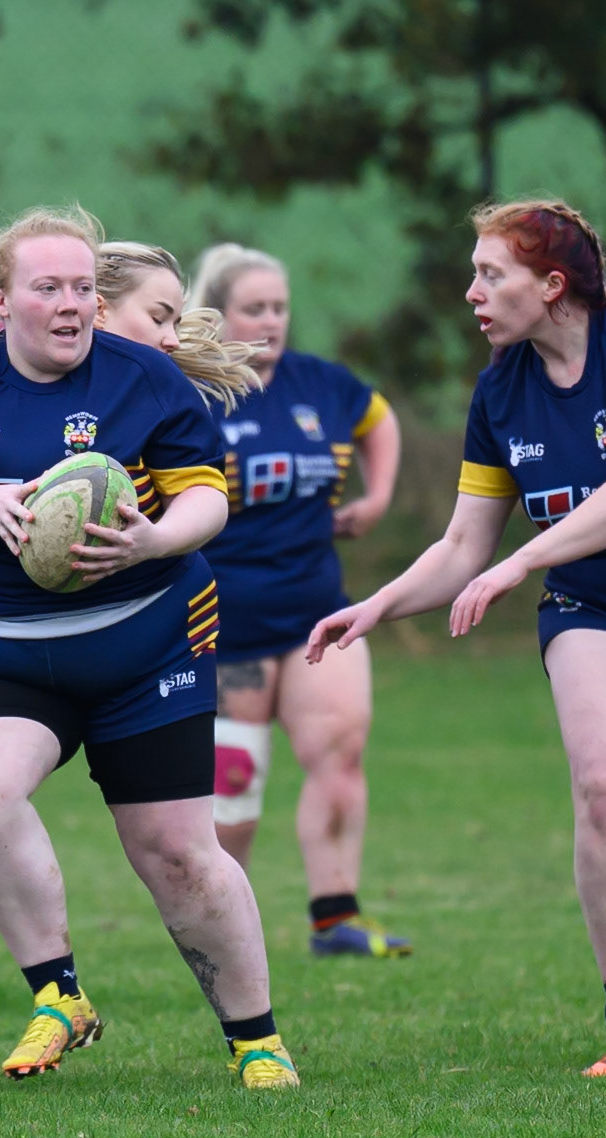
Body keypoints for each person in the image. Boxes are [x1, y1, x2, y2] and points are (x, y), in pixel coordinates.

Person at [307, 198, 606, 1075]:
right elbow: (462, 546)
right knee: (605, 786)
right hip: (595, 605)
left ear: (552, 285)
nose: (471, 291)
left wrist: (520, 565)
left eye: (491, 274)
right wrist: (374, 604)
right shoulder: (501, 391)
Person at [0, 207, 298, 1089]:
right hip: (2, 651)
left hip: (145, 651)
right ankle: (59, 994)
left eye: (84, 290)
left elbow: (208, 498)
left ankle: (255, 1039)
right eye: (48, 288)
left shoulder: (141, 375)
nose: (72, 305)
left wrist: (155, 540)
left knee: (176, 851)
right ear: (1, 302)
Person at [187, 243, 409, 958]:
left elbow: (379, 418)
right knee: (235, 785)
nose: (272, 321)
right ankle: (224, 922)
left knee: (340, 756)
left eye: (279, 307)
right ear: (217, 314)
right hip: (228, 626)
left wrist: (377, 498)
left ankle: (334, 918)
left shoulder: (322, 384)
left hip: (320, 613)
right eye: (255, 308)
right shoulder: (195, 393)